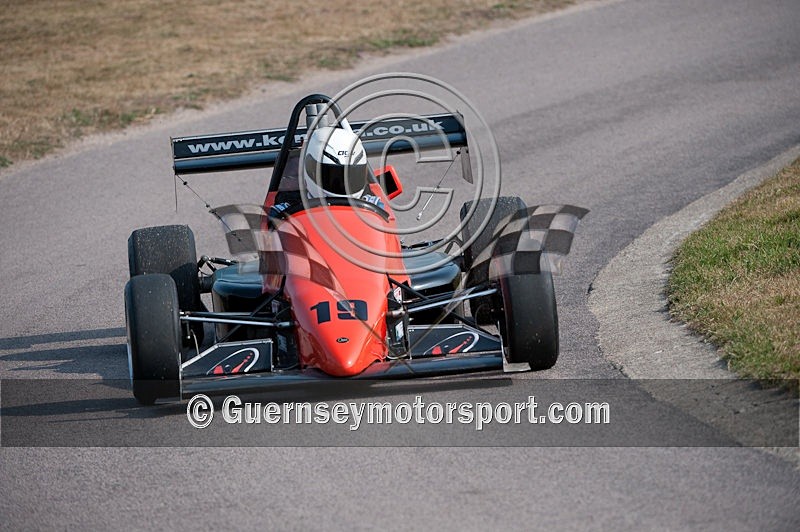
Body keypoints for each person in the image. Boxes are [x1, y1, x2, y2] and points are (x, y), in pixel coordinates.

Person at [270, 126, 385, 218]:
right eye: (333, 177)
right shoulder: (282, 211)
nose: (342, 184)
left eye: (351, 176)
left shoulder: (375, 205)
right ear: (310, 171)